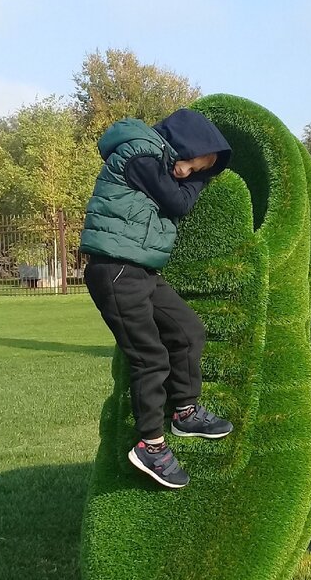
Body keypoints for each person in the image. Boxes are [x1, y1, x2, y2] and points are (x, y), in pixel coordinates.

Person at [80, 108, 234, 489]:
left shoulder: (153, 158)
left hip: (139, 270)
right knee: (149, 357)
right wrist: (199, 181)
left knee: (187, 331)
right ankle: (151, 445)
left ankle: (185, 412)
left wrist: (194, 172)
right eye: (198, 163)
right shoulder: (139, 155)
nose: (195, 172)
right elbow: (178, 203)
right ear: (186, 145)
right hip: (115, 270)